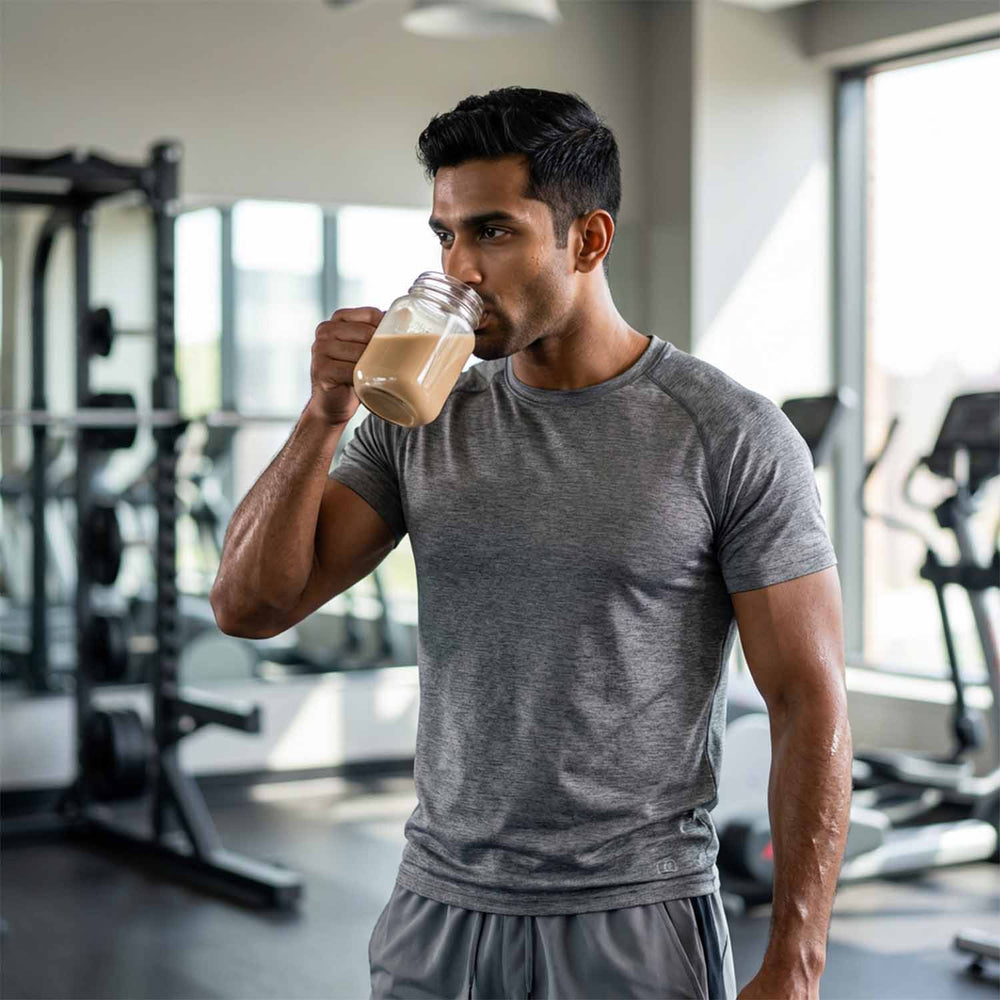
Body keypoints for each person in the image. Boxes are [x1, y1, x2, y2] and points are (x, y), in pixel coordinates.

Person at [210, 86, 853, 999]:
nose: (459, 267)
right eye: (444, 235)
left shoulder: (727, 433)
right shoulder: (420, 418)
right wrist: (322, 416)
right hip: (435, 906)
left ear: (587, 240)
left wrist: (795, 963)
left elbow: (808, 703)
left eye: (494, 232)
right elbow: (249, 606)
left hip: (634, 914)